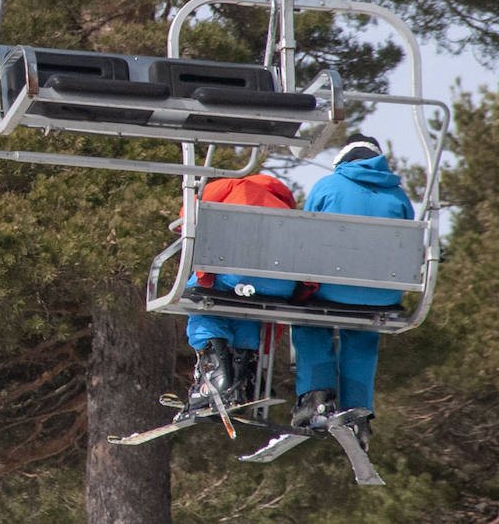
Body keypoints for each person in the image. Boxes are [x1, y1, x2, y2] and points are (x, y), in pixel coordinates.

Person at [290, 133, 415, 449]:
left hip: (332, 288)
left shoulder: (327, 187)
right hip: (381, 295)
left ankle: (316, 397)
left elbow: (303, 236)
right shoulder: (399, 198)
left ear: (342, 160)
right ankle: (358, 412)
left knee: (310, 323)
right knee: (362, 333)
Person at [178, 174, 297, 415]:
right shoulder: (286, 208)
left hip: (236, 271)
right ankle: (242, 373)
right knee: (248, 311)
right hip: (281, 284)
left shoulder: (236, 185)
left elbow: (187, 213)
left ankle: (216, 372)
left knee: (200, 296)